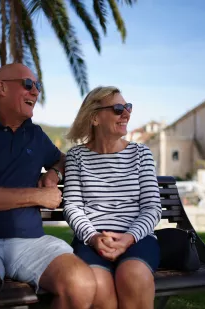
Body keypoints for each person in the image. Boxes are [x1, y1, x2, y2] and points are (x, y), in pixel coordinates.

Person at [0, 63, 97, 309]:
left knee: (82, 283)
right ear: (1, 87)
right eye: (28, 84)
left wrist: (54, 174)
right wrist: (39, 196)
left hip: (33, 242)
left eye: (38, 86)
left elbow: (64, 159)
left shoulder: (36, 135)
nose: (35, 92)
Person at [63, 86, 162, 309]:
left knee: (134, 276)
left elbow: (152, 208)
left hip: (137, 239)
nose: (126, 113)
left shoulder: (141, 154)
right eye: (118, 108)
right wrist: (93, 237)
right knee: (97, 284)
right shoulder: (76, 157)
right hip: (91, 241)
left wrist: (129, 238)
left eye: (128, 107)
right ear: (95, 117)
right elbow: (73, 207)